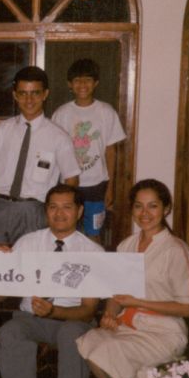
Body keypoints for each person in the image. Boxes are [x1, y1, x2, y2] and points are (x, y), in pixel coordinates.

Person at [76, 179, 189, 378]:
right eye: (138, 206)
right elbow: (116, 293)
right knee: (90, 341)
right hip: (129, 325)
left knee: (106, 352)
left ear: (166, 209)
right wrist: (110, 314)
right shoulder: (127, 245)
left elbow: (188, 308)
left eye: (152, 206)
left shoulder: (176, 250)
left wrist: (137, 302)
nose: (145, 213)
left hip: (162, 331)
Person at [0, 184, 102, 378]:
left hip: (73, 320)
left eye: (67, 207)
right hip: (30, 319)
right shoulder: (27, 242)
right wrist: (0, 268)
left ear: (80, 211)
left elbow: (89, 310)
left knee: (71, 334)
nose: (59, 213)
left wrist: (55, 311)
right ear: (46, 211)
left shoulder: (92, 253)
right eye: (53, 207)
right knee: (10, 332)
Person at [0, 66, 80, 246]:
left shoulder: (58, 136)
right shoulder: (2, 130)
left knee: (31, 266)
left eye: (35, 93)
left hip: (35, 212)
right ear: (15, 95)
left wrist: (54, 213)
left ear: (45, 94)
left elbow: (71, 179)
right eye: (23, 93)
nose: (29, 99)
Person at [51, 59, 126, 241]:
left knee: (94, 235)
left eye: (87, 80)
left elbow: (111, 150)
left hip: (97, 185)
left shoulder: (106, 112)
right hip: (68, 184)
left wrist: (110, 188)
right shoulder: (61, 113)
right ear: (70, 84)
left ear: (96, 83)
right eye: (77, 80)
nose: (82, 85)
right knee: (65, 233)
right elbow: (53, 152)